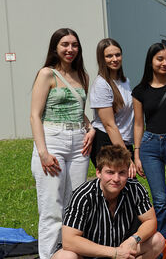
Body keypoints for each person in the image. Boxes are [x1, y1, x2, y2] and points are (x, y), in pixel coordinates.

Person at [29, 28, 95, 259]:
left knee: (75, 204)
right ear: (55, 47)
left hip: (78, 144)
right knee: (51, 208)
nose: (70, 49)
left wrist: (91, 127)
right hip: (52, 139)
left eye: (74, 44)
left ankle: (67, 254)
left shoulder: (82, 75)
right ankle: (48, 255)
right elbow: (35, 115)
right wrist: (43, 152)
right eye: (65, 44)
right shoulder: (47, 74)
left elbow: (79, 111)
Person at [52, 145, 165, 259]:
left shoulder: (135, 189)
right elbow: (69, 241)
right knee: (65, 256)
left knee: (158, 240)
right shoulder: (83, 195)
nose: (116, 179)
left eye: (121, 172)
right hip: (89, 255)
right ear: (98, 173)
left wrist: (134, 239)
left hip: (123, 251)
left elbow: (150, 221)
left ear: (128, 172)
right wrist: (114, 252)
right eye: (110, 172)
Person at [132, 43, 166, 237]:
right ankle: (164, 239)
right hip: (149, 146)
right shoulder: (139, 91)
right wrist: (136, 154)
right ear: (151, 61)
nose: (165, 63)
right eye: (160, 59)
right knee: (160, 199)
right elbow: (138, 124)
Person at [89, 38, 136, 177]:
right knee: (116, 186)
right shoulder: (101, 84)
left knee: (127, 188)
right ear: (101, 59)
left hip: (123, 141)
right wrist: (127, 157)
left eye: (117, 54)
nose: (114, 59)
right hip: (107, 142)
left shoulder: (125, 81)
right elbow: (109, 125)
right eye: (109, 56)